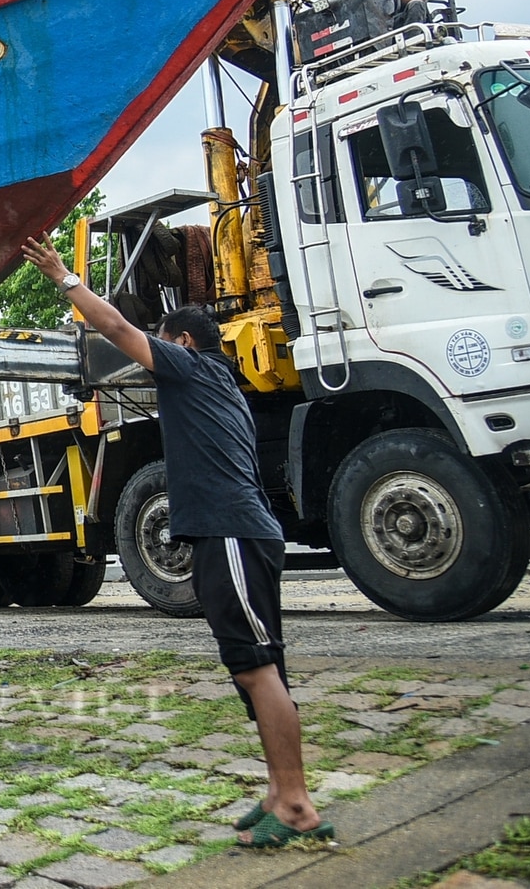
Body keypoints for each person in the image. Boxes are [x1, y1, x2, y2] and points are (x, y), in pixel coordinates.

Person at [18, 237, 331, 848]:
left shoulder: (188, 367)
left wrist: (63, 276)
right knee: (256, 669)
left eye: (161, 341)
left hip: (232, 535)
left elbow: (111, 325)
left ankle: (295, 804)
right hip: (241, 533)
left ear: (181, 342)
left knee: (257, 668)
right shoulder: (221, 385)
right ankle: (278, 791)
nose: (151, 354)